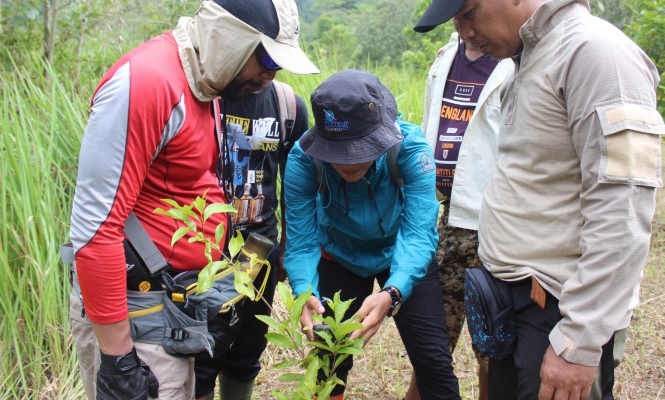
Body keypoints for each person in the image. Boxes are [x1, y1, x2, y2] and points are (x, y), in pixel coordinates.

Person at [415, 0, 665, 399]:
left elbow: (623, 209)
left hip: (557, 312)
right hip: (512, 302)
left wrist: (579, 341)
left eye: (468, 13)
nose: (463, 32)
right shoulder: (523, 59)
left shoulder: (595, 55)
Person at [68, 0, 318, 400]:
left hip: (175, 305)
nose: (271, 74)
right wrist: (118, 359)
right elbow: (95, 230)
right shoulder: (148, 82)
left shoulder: (204, 88)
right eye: (265, 59)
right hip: (138, 312)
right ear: (229, 40)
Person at [283, 69, 462, 400]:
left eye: (360, 149)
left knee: (433, 362)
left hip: (401, 252)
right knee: (328, 360)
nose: (348, 163)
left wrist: (393, 293)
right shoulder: (304, 159)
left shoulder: (410, 149)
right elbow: (301, 240)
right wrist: (304, 290)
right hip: (338, 254)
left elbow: (419, 232)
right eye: (337, 152)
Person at [405, 24, 514, 400]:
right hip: (447, 217)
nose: (465, 25)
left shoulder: (512, 62)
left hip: (496, 224)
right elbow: (428, 123)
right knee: (435, 337)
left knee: (492, 340)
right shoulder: (444, 58)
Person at [194, 74, 310, 399]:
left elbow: (296, 183)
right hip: (206, 249)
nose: (267, 72)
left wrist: (288, 245)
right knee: (200, 357)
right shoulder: (205, 97)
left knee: (245, 350)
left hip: (256, 247)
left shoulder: (287, 106)